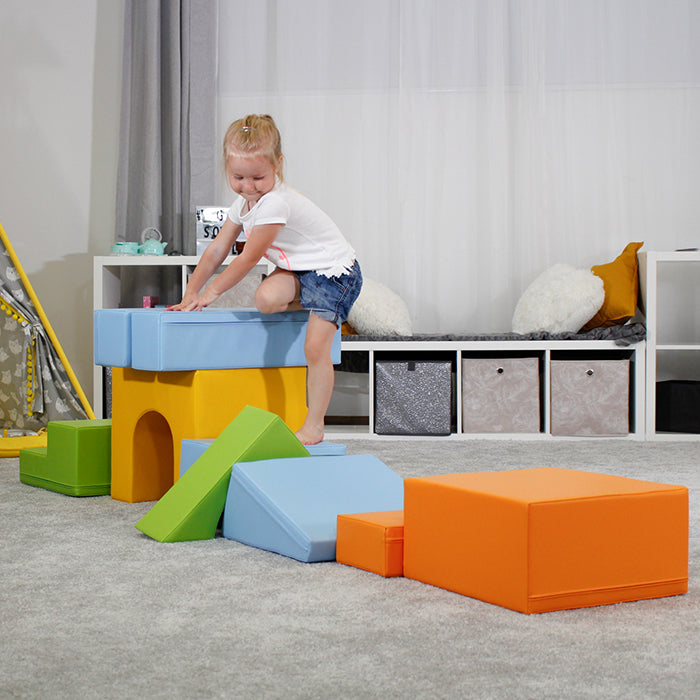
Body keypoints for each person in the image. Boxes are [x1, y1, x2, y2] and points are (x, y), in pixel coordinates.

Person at [169, 114, 362, 445]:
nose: (248, 186)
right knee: (265, 300)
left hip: (334, 273)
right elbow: (218, 249)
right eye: (238, 177)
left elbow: (248, 258)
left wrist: (211, 293)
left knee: (315, 348)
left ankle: (314, 425)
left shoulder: (275, 203)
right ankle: (316, 308)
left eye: (258, 177)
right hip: (300, 272)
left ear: (278, 165)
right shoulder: (243, 202)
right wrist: (191, 290)